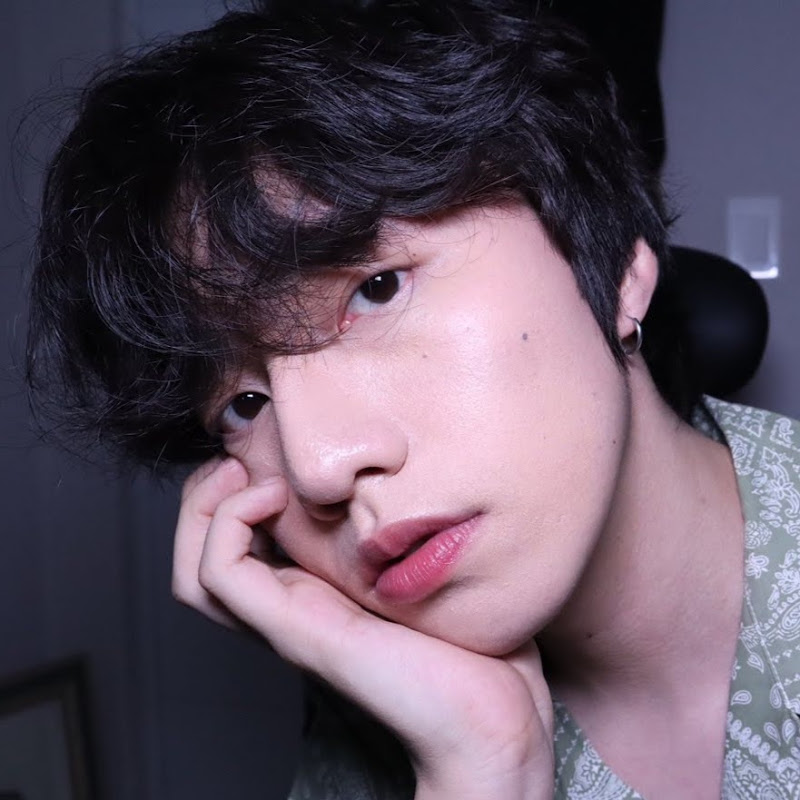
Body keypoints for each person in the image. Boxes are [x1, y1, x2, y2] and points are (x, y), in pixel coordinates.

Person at [25, 1, 800, 798]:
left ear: (615, 268)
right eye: (244, 406)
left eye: (377, 289)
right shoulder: (389, 737)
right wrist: (485, 767)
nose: (319, 467)